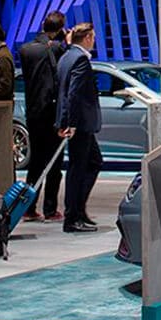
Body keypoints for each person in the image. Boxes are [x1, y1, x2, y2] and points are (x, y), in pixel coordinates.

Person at [19, 12, 67, 223]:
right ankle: (50, 209)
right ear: (61, 28)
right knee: (54, 162)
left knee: (36, 162)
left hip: (33, 112)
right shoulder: (57, 48)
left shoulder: (26, 49)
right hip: (51, 111)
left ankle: (29, 207)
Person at [56, 23, 102, 233]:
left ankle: (78, 211)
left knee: (93, 162)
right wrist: (71, 123)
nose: (94, 41)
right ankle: (72, 217)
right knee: (78, 168)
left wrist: (64, 121)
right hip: (80, 124)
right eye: (92, 37)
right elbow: (73, 93)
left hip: (77, 123)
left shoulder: (67, 56)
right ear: (87, 38)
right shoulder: (81, 59)